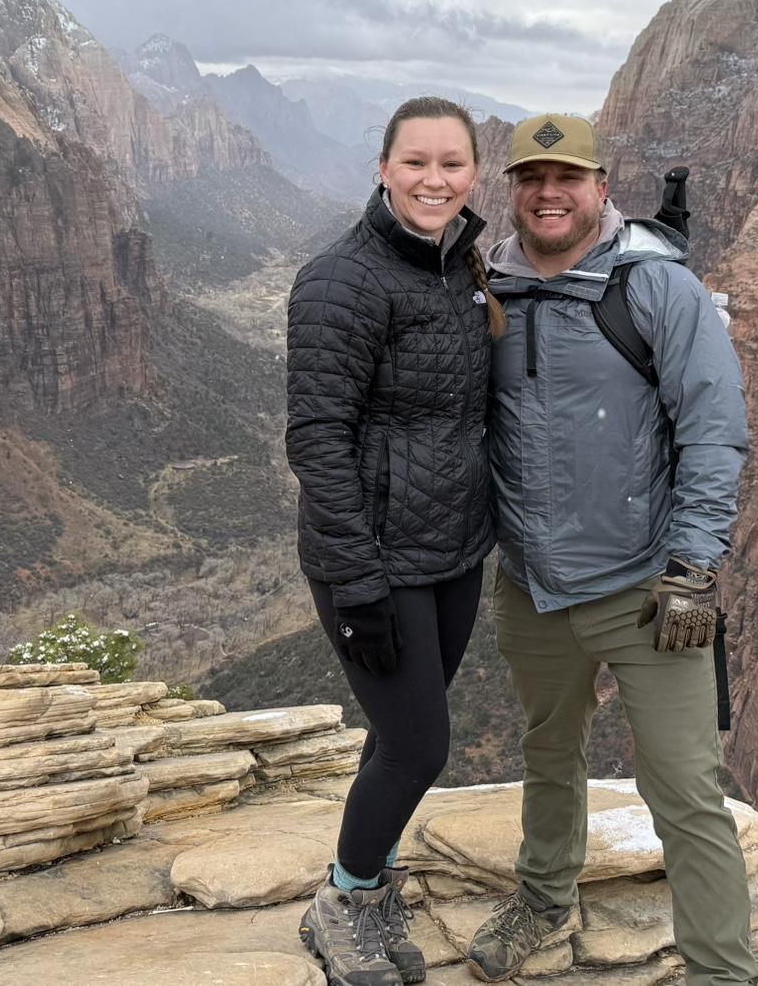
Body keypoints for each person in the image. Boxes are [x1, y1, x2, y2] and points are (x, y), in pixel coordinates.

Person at [465, 113, 758, 986]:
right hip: (531, 586)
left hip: (647, 589)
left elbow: (713, 431)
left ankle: (722, 972)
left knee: (687, 789)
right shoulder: (486, 289)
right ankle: (542, 900)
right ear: (512, 191)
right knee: (549, 752)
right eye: (531, 178)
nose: (548, 193)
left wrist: (695, 567)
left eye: (567, 178)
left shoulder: (657, 289)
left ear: (601, 188)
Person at [286, 96, 506, 986]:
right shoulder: (341, 279)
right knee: (419, 747)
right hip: (376, 560)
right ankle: (342, 901)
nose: (434, 179)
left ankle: (370, 887)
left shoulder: (461, 268)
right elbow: (317, 439)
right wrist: (357, 582)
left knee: (396, 732)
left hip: (453, 550)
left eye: (452, 163)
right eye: (416, 162)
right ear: (383, 168)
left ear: (473, 174)